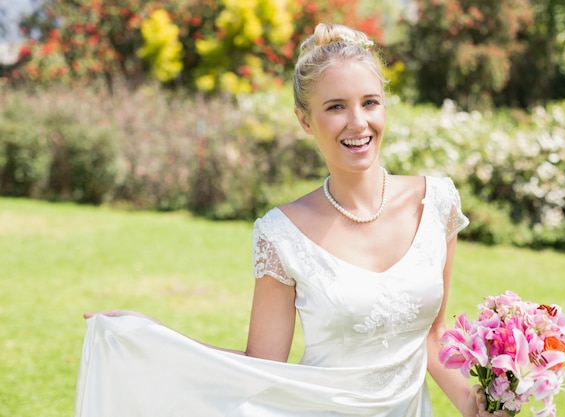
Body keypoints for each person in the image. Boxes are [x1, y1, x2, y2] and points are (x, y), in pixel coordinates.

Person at [75, 23, 507, 417]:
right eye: (336, 106)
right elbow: (260, 368)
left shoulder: (436, 203)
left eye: (370, 102)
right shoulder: (281, 234)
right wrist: (150, 336)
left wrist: (480, 403)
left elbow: (431, 335)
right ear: (305, 120)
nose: (358, 122)